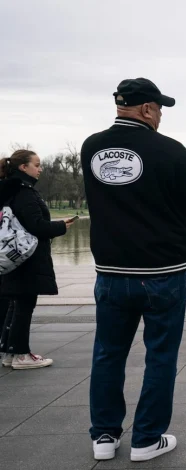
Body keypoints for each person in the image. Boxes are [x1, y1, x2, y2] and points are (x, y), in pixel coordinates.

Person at [81, 78, 186, 463]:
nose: (160, 116)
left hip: (110, 272)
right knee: (160, 356)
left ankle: (104, 437)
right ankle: (146, 438)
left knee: (108, 354)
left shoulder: (91, 147)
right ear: (146, 109)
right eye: (159, 109)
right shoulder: (168, 150)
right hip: (162, 272)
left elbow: (122, 191)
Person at [0, 150, 74, 369]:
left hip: (13, 257)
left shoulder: (9, 191)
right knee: (24, 304)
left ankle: (9, 352)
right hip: (28, 257)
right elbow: (36, 226)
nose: (40, 168)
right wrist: (62, 226)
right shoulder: (25, 193)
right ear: (24, 167)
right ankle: (21, 355)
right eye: (37, 164)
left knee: (16, 303)